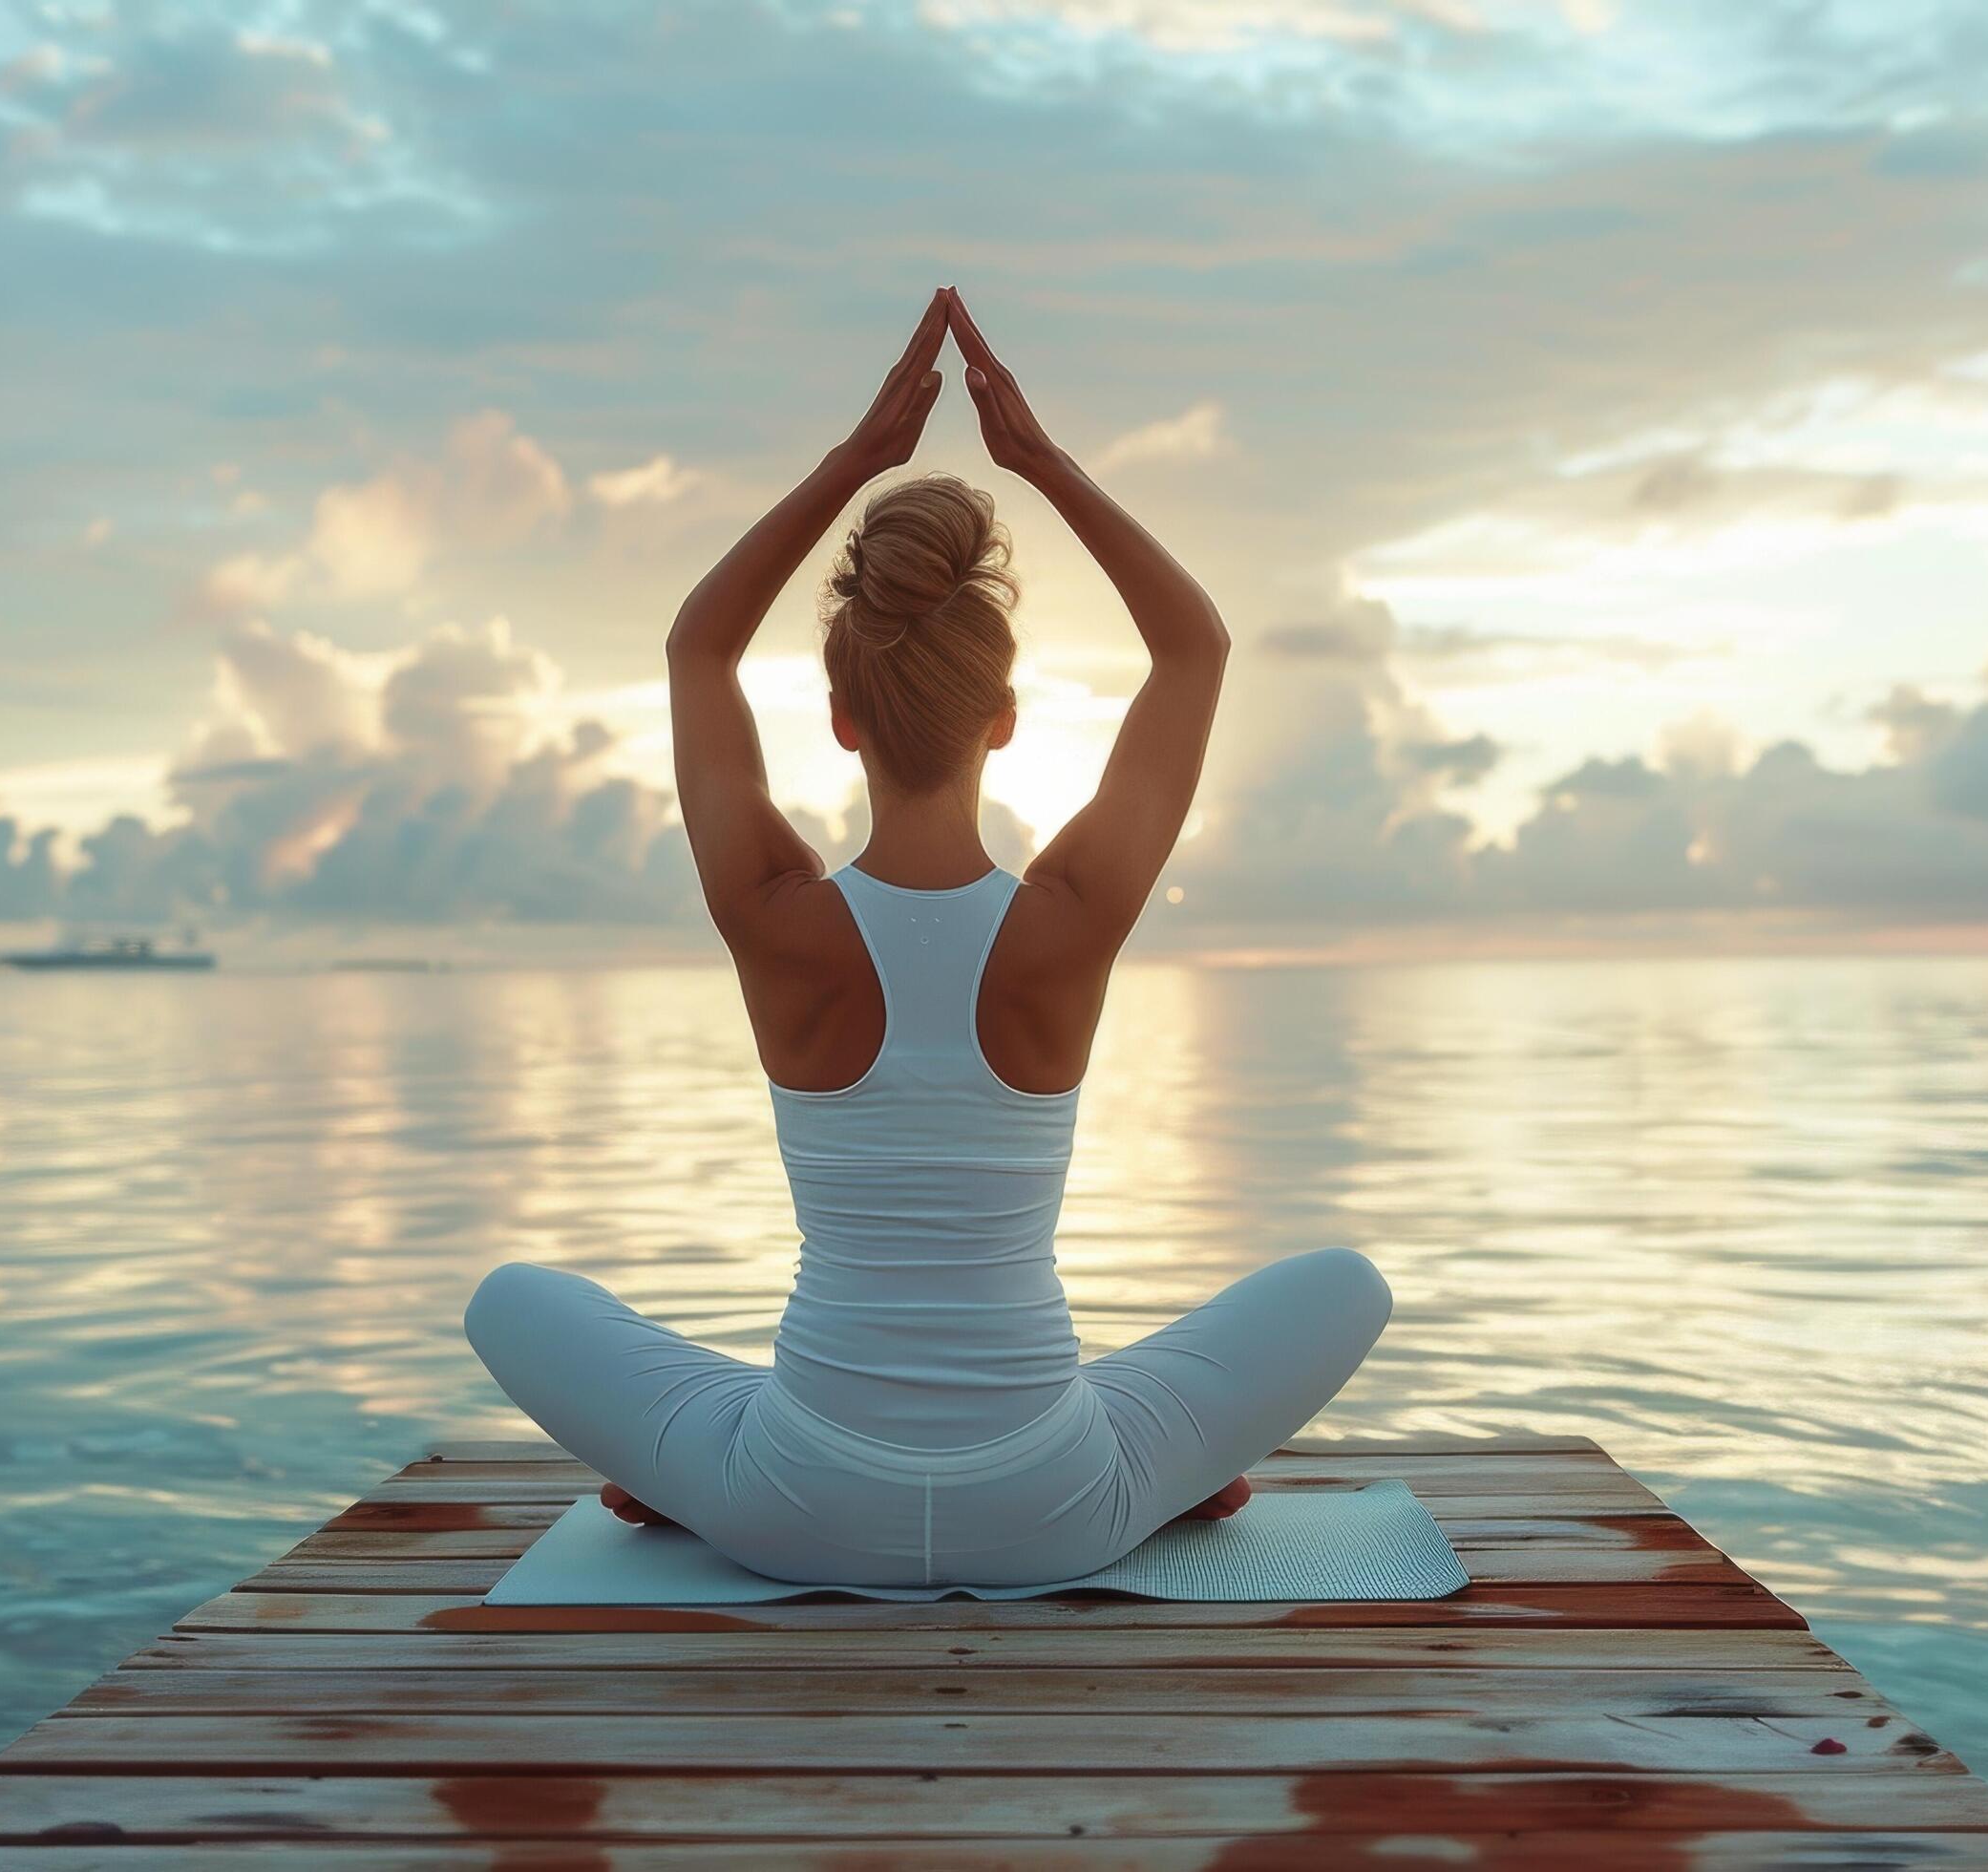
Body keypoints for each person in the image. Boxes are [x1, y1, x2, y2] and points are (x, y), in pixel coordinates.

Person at [466, 287, 1389, 1586]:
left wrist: (857, 459)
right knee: (1345, 1281)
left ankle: (699, 1476)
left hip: (794, 1501)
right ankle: (1157, 1473)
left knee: (508, 1297)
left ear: (840, 717)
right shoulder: (1066, 923)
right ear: (1003, 716)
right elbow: (1193, 648)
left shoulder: (778, 917)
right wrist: (1038, 460)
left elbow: (697, 650)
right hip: (1051, 1505)